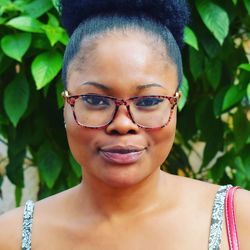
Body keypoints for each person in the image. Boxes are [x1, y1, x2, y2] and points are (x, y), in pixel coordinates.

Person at [0, 0, 250, 249]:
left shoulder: (240, 221)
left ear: (175, 104)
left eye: (150, 100)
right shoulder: (10, 236)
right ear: (67, 104)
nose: (122, 124)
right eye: (95, 100)